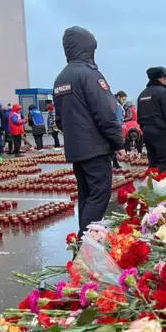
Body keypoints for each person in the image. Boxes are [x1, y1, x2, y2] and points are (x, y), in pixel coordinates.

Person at [53, 26, 125, 238]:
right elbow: (106, 112)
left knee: (86, 195)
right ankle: (87, 245)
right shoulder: (89, 74)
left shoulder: (60, 79)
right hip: (95, 148)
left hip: (76, 149)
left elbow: (60, 120)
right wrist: (118, 143)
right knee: (98, 196)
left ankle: (83, 241)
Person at [137, 66, 166, 172]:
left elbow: (139, 118)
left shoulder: (142, 94)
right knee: (163, 164)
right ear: (160, 78)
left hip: (147, 133)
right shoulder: (164, 93)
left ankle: (151, 186)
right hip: (162, 133)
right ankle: (159, 187)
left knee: (152, 163)